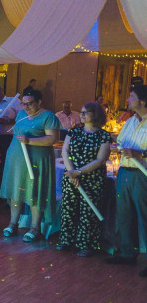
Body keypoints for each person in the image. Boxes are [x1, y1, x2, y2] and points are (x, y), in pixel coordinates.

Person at [0, 89, 61, 242]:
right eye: (23, 104)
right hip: (17, 160)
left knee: (34, 192)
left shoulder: (48, 116)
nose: (26, 107)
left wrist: (30, 141)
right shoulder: (21, 114)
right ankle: (13, 223)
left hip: (36, 161)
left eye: (30, 103)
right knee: (16, 191)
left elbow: (52, 138)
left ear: (39, 102)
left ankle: (35, 227)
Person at [57, 102, 111, 256]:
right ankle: (66, 240)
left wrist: (79, 172)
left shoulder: (104, 135)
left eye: (86, 112)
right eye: (81, 112)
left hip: (92, 177)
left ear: (96, 114)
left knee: (88, 212)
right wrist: (72, 171)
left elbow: (101, 159)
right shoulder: (73, 132)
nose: (82, 115)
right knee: (68, 208)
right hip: (71, 175)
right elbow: (65, 152)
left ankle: (86, 244)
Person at [104, 85, 147, 274]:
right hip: (125, 172)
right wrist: (116, 147)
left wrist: (141, 154)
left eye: (131, 96)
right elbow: (121, 141)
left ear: (143, 101)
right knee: (125, 213)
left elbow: (139, 152)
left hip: (142, 174)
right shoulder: (130, 121)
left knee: (145, 215)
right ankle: (128, 253)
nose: (128, 99)